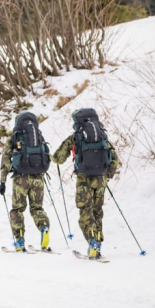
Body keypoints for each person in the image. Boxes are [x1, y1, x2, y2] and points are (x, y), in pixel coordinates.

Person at [52, 108, 119, 259]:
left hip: (84, 179)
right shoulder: (102, 136)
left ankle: (92, 241)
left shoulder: (76, 137)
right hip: (101, 179)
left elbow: (58, 158)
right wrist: (108, 175)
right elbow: (114, 159)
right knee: (97, 211)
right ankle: (98, 245)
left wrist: (52, 157)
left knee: (85, 212)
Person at [0, 112, 51, 252]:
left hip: (20, 178)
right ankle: (44, 227)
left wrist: (2, 181)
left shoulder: (14, 138)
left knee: (17, 209)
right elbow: (46, 154)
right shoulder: (38, 136)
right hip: (38, 177)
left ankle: (19, 239)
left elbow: (5, 159)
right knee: (37, 208)